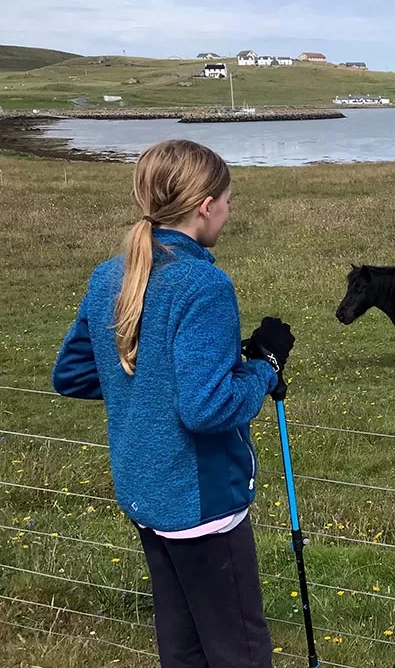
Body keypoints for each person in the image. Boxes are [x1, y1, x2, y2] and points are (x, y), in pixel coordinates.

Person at [50, 139, 294, 668]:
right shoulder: (202, 284)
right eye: (228, 201)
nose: (229, 214)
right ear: (205, 205)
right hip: (200, 501)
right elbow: (207, 409)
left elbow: (72, 373)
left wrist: (154, 384)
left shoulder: (109, 275)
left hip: (146, 493)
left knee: (181, 646)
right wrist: (265, 367)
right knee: (240, 652)